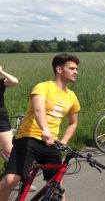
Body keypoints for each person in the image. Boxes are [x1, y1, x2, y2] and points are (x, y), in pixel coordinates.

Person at [0, 53, 81, 201]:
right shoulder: (43, 87)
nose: (76, 71)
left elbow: (73, 123)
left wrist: (63, 141)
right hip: (28, 138)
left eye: (76, 69)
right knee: (9, 181)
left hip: (52, 143)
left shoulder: (72, 96)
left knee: (57, 187)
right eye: (72, 68)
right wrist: (46, 130)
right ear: (59, 69)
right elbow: (38, 110)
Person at [0, 66, 19, 160]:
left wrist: (1, 72)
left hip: (1, 119)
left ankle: (19, 172)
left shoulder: (1, 82)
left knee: (9, 150)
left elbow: (14, 81)